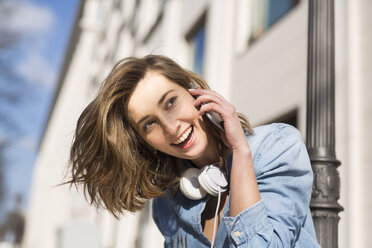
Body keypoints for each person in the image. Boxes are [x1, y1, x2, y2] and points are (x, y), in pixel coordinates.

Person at [68, 54, 321, 247]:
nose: (171, 128)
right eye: (149, 124)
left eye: (170, 102)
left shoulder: (276, 148)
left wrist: (241, 154)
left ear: (193, 91)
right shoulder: (167, 202)